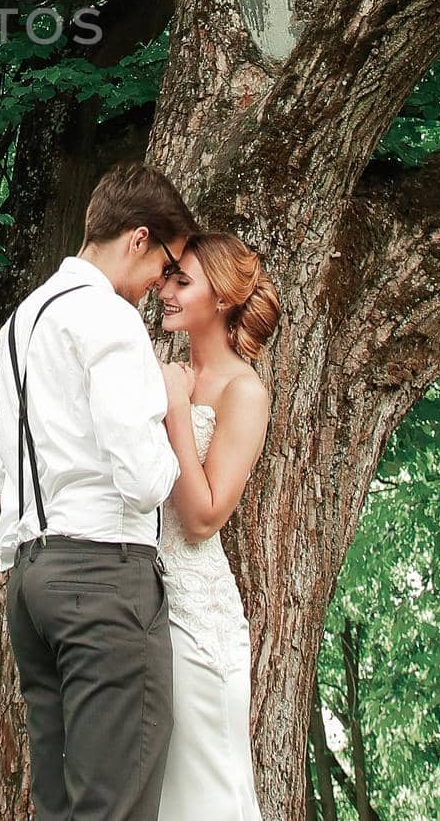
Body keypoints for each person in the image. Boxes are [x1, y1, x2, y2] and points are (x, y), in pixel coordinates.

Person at [0, 159, 198, 821]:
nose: (159, 285)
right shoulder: (108, 319)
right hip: (101, 578)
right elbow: (142, 479)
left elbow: (6, 450)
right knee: (116, 800)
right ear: (137, 238)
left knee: (63, 808)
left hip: (30, 580)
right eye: (166, 264)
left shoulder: (21, 322)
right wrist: (174, 442)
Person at [153, 232, 281, 821]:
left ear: (223, 299)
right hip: (146, 608)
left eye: (183, 282)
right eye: (169, 277)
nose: (166, 289)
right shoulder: (166, 373)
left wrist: (175, 408)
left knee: (211, 794)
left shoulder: (244, 391)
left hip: (199, 617)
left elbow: (204, 517)